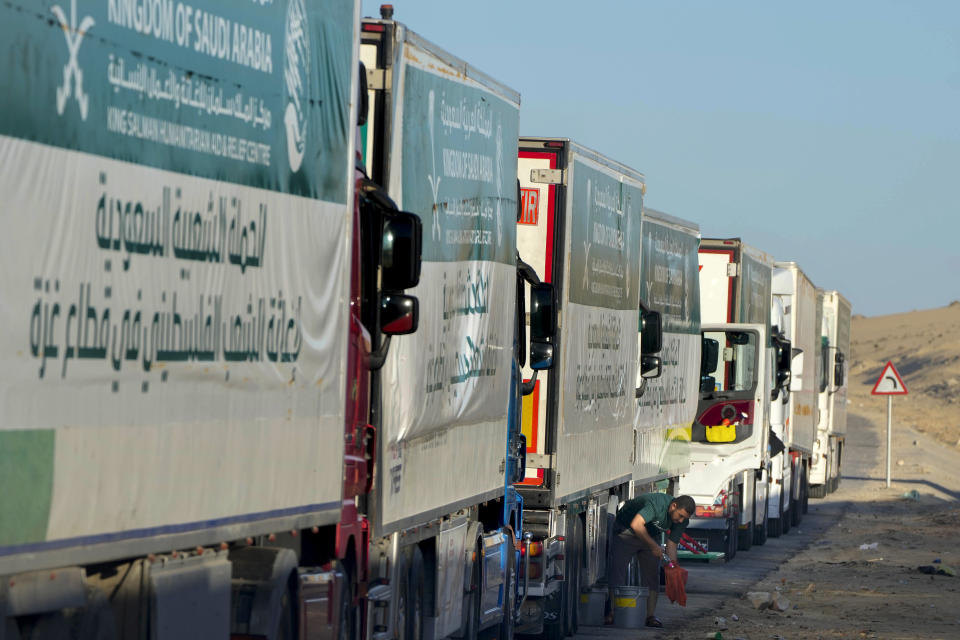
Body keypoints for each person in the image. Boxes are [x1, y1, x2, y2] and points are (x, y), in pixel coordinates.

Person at [605, 493, 695, 628]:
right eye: (680, 516)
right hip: (626, 531)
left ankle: (650, 616)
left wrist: (673, 568)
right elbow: (636, 524)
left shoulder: (682, 520)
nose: (681, 521)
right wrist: (654, 546)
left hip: (650, 535)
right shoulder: (656, 504)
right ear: (673, 506)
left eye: (685, 518)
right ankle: (611, 612)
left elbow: (672, 544)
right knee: (617, 571)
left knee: (652, 576)